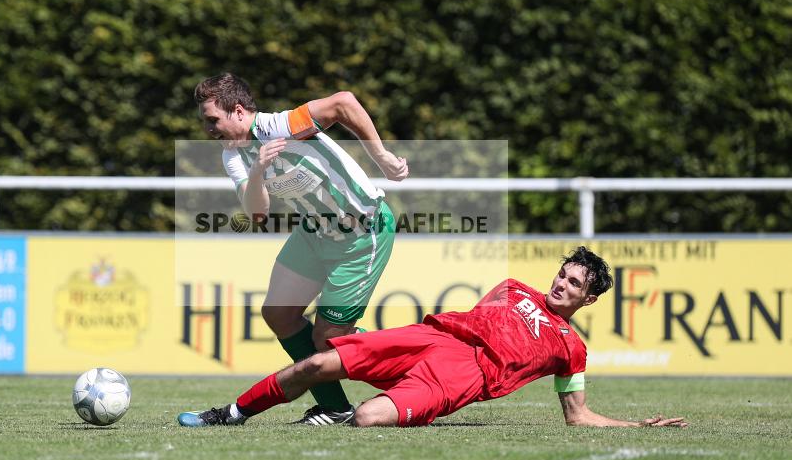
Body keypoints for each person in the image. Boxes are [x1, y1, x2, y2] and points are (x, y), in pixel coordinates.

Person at [178, 246, 688, 428]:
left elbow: (577, 416)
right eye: (563, 274)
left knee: (367, 416)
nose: (562, 284)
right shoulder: (512, 288)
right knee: (316, 363)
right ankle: (229, 414)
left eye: (575, 283)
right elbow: (479, 315)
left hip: (463, 376)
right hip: (434, 336)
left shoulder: (572, 349)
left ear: (588, 299)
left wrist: (635, 425)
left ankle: (338, 415)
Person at [193, 73, 409, 425]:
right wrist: (259, 169)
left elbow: (344, 102)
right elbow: (257, 213)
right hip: (314, 233)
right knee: (278, 314)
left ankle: (412, 362)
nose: (208, 129)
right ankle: (336, 409)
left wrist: (381, 156)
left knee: (327, 340)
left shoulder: (282, 125)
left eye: (212, 119)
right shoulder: (233, 156)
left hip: (362, 232)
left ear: (237, 111)